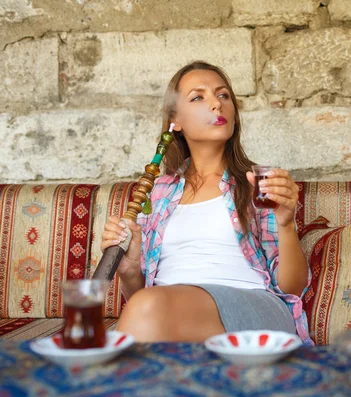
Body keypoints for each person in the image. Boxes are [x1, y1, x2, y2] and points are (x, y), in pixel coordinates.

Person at [100, 60, 312, 345]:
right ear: (176, 120)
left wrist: (286, 224)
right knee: (147, 310)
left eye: (223, 95)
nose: (216, 104)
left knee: (141, 316)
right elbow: (140, 300)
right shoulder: (156, 193)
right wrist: (129, 270)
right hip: (168, 310)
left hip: (251, 307)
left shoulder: (258, 183)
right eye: (198, 97)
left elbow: (292, 287)